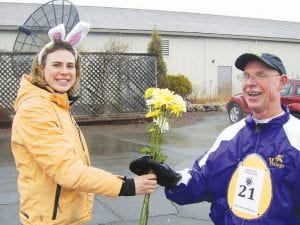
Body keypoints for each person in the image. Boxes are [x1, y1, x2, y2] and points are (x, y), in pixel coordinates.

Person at [11, 21, 157, 225]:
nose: (65, 71)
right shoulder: (35, 110)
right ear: (41, 69)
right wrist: (128, 186)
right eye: (56, 65)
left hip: (65, 215)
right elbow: (68, 172)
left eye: (70, 65)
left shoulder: (57, 104)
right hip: (49, 219)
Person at [130, 53, 300, 225]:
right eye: (246, 76)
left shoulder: (296, 138)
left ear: (282, 82)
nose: (250, 83)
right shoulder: (230, 135)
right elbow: (202, 178)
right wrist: (171, 178)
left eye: (260, 75)